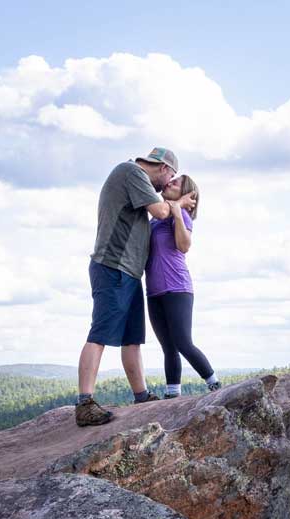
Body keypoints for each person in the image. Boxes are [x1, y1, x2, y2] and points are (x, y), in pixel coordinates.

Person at [75, 147, 197, 427]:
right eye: (170, 178)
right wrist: (178, 205)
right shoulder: (132, 172)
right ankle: (84, 403)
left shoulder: (132, 176)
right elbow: (161, 209)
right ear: (165, 168)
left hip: (128, 271)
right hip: (113, 265)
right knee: (100, 333)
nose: (166, 185)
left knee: (132, 338)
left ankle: (141, 395)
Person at [145, 174, 219, 398]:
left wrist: (177, 210)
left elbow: (184, 246)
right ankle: (172, 394)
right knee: (168, 346)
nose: (168, 183)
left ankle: (215, 385)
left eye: (175, 183)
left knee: (183, 342)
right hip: (154, 290)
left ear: (185, 193)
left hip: (177, 287)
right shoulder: (157, 219)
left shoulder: (182, 216)